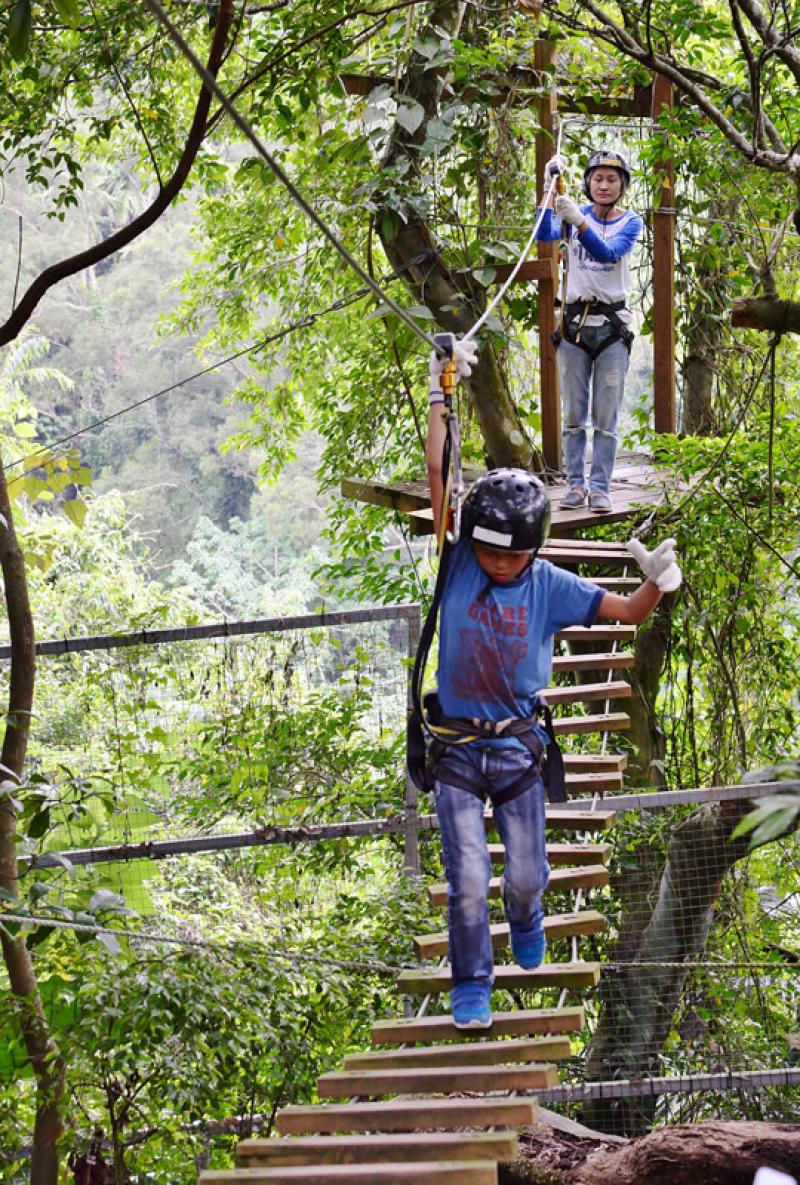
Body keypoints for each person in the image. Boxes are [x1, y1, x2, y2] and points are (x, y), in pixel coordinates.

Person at [425, 339, 680, 1028]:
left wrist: (656, 582)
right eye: (488, 550)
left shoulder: (549, 583)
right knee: (469, 881)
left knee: (524, 876)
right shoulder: (459, 566)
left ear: (534, 548)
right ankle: (471, 981)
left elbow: (624, 614)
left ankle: (529, 913)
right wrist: (441, 391)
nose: (499, 563)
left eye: (512, 554)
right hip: (454, 746)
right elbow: (440, 478)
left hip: (516, 748)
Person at [536, 149, 643, 514]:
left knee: (606, 415)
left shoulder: (630, 222)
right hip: (575, 327)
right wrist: (550, 190)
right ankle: (575, 485)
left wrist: (578, 222)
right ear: (587, 183)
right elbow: (542, 231)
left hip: (612, 328)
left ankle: (600, 487)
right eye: (597, 178)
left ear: (621, 186)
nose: (603, 185)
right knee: (573, 414)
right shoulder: (572, 216)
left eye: (611, 179)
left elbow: (608, 254)